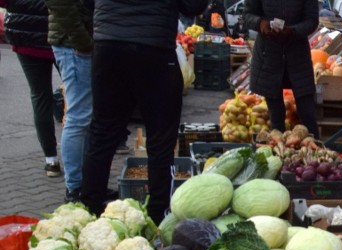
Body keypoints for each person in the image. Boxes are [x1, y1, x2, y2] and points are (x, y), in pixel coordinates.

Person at [80, 0, 207, 223]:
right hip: (153, 48)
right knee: (161, 139)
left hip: (108, 45)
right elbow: (192, 6)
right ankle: (158, 217)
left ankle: (88, 211)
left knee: (102, 132)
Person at [1, 0, 62, 178]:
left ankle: (51, 160)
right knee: (78, 97)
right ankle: (81, 159)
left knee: (40, 96)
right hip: (61, 37)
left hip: (25, 38)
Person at [243, 0, 319, 137]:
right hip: (268, 56)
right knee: (276, 114)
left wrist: (293, 31)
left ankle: (315, 147)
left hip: (298, 56)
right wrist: (261, 24)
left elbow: (312, 20)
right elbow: (247, 15)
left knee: (307, 112)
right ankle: (279, 151)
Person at [44, 0, 94, 203]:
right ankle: (74, 188)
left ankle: (85, 184)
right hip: (74, 46)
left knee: (85, 117)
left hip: (76, 43)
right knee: (78, 118)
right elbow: (61, 5)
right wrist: (83, 42)